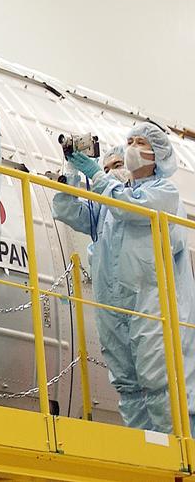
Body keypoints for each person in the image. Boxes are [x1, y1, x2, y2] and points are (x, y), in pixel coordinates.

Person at [57, 124, 195, 433]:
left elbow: (130, 209)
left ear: (157, 154)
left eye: (139, 143)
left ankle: (171, 451)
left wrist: (100, 177)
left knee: (158, 378)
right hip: (112, 304)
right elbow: (70, 211)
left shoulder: (163, 193)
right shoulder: (108, 205)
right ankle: (142, 449)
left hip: (149, 303)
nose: (132, 147)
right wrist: (71, 172)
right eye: (128, 141)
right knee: (126, 382)